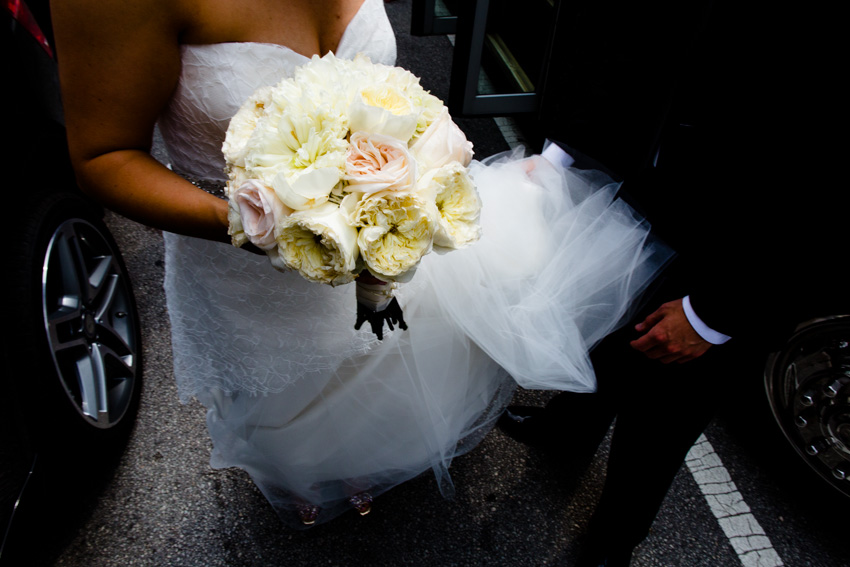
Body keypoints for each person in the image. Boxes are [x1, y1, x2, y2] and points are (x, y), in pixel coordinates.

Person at [51, 0, 671, 528]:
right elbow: (104, 155)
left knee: (379, 353)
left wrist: (408, 184)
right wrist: (270, 230)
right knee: (287, 390)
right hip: (241, 256)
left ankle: (358, 453)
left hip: (378, 220)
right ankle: (304, 468)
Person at [499, 2, 843, 565]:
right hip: (646, 176)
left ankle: (615, 536)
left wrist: (716, 313)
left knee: (666, 409)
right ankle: (570, 428)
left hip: (739, 235)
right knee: (604, 317)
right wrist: (563, 154)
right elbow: (639, 40)